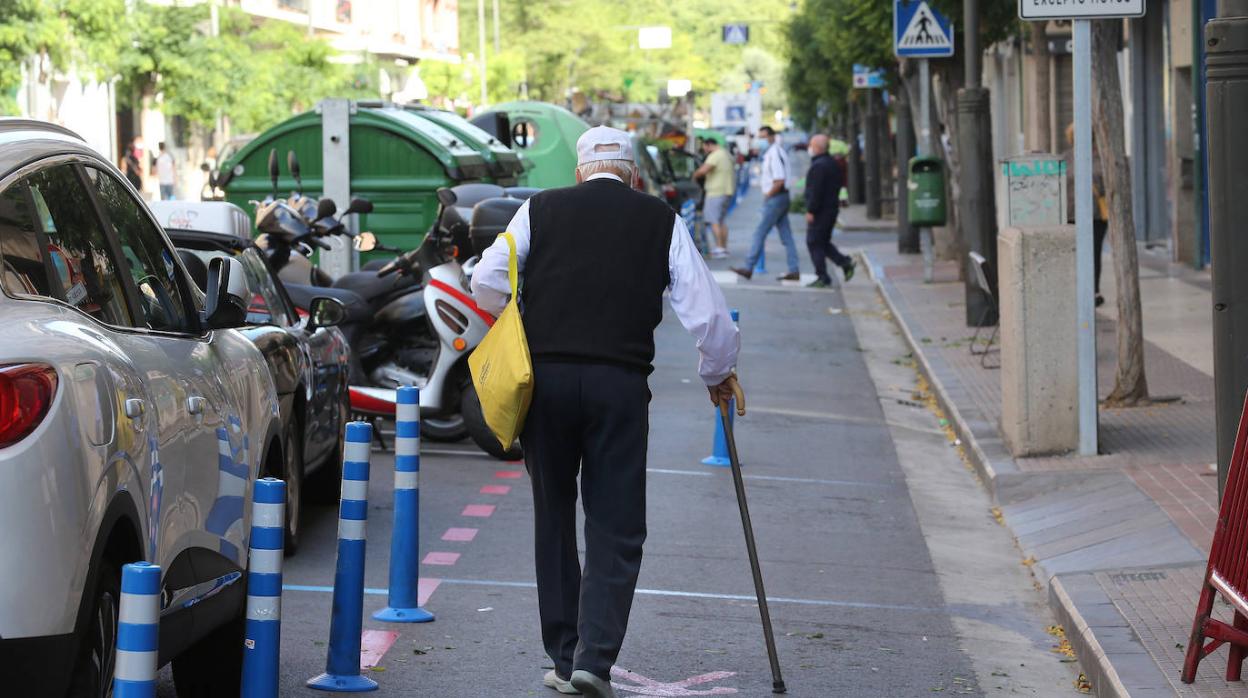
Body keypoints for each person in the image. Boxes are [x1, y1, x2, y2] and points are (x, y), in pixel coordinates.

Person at [470, 126, 741, 698]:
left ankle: (564, 658)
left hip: (544, 383)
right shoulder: (659, 219)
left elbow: (486, 281)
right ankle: (594, 659)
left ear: (578, 171)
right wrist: (717, 374)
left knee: (553, 517)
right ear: (633, 174)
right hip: (619, 386)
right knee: (615, 523)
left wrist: (528, 311)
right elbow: (708, 315)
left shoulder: (539, 209)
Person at [731, 125, 802, 281]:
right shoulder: (775, 151)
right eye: (760, 137)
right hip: (781, 197)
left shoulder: (774, 154)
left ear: (771, 136)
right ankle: (794, 269)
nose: (761, 141)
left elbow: (779, 180)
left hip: (776, 198)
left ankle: (749, 267)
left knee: (759, 232)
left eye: (763, 137)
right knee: (786, 236)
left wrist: (768, 195)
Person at [1063, 123, 1108, 306]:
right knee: (1073, 253)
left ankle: (1093, 291)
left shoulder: (1101, 159)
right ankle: (1074, 289)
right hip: (1071, 214)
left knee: (1093, 252)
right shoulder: (1065, 159)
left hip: (1095, 215)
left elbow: (1107, 187)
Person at [803, 134, 855, 288]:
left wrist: (811, 210)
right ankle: (845, 262)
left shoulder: (820, 166)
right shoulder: (831, 163)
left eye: (811, 145)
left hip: (821, 211)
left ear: (818, 147)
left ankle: (823, 276)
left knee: (813, 241)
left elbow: (816, 191)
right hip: (830, 209)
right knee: (822, 242)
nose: (809, 148)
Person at [693, 138, 735, 259]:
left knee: (714, 221)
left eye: (704, 147)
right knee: (721, 221)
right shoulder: (726, 154)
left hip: (715, 192)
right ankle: (724, 248)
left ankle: (719, 248)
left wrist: (694, 176)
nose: (704, 150)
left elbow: (703, 170)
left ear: (709, 144)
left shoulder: (715, 155)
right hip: (727, 191)